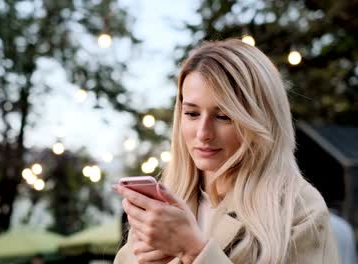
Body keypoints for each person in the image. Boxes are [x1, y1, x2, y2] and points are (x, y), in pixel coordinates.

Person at [113, 39, 339, 263]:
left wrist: (193, 251)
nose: (203, 133)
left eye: (224, 116)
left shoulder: (298, 208)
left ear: (262, 119)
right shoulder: (161, 208)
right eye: (192, 114)